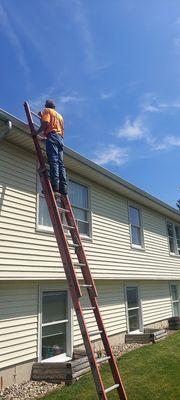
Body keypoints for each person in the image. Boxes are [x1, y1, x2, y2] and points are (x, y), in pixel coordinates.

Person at [36, 99, 67, 196]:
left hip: (52, 136)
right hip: (60, 139)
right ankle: (63, 189)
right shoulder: (60, 116)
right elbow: (56, 128)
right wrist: (47, 137)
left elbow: (45, 123)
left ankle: (55, 186)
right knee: (60, 164)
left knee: (53, 161)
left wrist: (36, 132)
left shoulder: (47, 111)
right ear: (54, 107)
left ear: (46, 105)